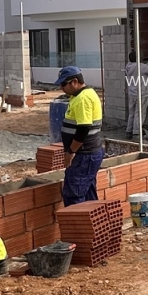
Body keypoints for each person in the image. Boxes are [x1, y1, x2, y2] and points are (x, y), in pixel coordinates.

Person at [55, 65, 104, 207]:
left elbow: (83, 129)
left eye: (63, 84)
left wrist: (71, 152)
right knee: (88, 194)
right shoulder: (80, 96)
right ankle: (92, 227)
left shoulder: (83, 99)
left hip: (84, 155)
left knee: (73, 195)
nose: (61, 88)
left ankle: (77, 228)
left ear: (74, 82)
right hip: (87, 154)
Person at [124, 52, 148, 139]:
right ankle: (136, 133)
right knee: (139, 113)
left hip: (132, 94)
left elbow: (145, 67)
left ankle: (129, 131)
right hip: (141, 94)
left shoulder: (128, 66)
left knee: (132, 114)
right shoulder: (141, 67)